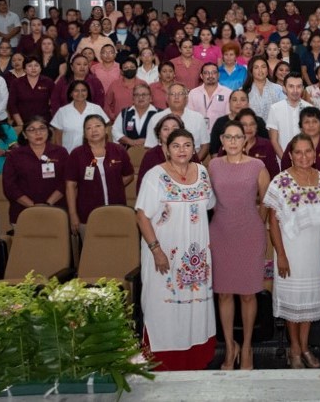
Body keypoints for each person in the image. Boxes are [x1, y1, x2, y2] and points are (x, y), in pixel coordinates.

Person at [137, 129, 218, 371]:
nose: (182, 150)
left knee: (195, 307)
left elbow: (209, 205)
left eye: (187, 145)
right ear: (166, 149)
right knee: (163, 307)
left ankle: (195, 360)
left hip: (196, 256)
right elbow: (141, 215)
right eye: (176, 146)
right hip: (164, 255)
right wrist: (156, 250)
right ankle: (163, 363)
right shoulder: (155, 176)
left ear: (194, 148)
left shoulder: (202, 172)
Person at [265, 134, 320, 369]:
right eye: (298, 152)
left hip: (314, 251)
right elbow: (273, 222)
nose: (304, 156)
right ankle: (294, 350)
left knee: (307, 302)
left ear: (314, 153)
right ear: (291, 155)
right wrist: (282, 255)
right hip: (290, 251)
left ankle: (305, 347)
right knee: (292, 302)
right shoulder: (280, 181)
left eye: (308, 151)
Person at [207, 121, 270, 371]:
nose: (233, 142)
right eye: (228, 137)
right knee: (223, 293)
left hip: (249, 234)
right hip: (221, 233)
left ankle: (246, 347)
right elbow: (205, 198)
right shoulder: (212, 165)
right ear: (221, 141)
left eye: (238, 137)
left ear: (245, 140)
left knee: (247, 293)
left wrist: (257, 224)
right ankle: (230, 347)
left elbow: (267, 200)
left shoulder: (257, 165)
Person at [64, 115, 134, 237]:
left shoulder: (118, 150)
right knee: (92, 252)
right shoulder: (77, 154)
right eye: (89, 128)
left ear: (106, 129)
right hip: (87, 215)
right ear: (85, 134)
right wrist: (73, 214)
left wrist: (112, 185)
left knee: (118, 249)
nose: (94, 130)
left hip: (116, 211)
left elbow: (129, 175)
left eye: (98, 126)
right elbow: (70, 185)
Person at [1, 116, 68, 225]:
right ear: (24, 134)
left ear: (48, 131)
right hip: (23, 212)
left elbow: (66, 181)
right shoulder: (15, 155)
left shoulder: (60, 152)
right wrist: (32, 206)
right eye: (32, 130)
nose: (38, 133)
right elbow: (9, 186)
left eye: (42, 128)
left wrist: (48, 203)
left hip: (56, 210)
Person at [147, 83, 210, 158]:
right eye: (173, 94)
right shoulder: (156, 118)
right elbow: (150, 146)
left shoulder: (198, 118)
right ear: (167, 98)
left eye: (180, 94)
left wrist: (194, 163)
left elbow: (205, 145)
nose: (176, 97)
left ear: (186, 98)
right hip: (162, 163)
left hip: (192, 162)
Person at [51, 81, 109, 152]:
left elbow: (106, 130)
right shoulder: (62, 111)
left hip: (94, 153)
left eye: (83, 90)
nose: (80, 93)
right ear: (71, 93)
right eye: (76, 91)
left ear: (88, 93)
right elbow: (57, 137)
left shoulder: (96, 109)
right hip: (69, 154)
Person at [281, 108, 320, 174]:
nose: (311, 125)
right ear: (301, 127)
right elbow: (285, 169)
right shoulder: (293, 144)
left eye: (315, 121)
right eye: (307, 122)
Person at [267, 74, 313, 158]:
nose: (295, 91)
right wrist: (285, 160)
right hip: (283, 160)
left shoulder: (310, 108)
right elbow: (274, 140)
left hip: (306, 160)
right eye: (291, 86)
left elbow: (313, 138)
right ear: (284, 88)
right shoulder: (275, 108)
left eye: (299, 87)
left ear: (303, 88)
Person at [187, 63, 233, 129]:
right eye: (206, 73)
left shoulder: (228, 93)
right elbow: (190, 117)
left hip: (221, 133)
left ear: (218, 75)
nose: (210, 76)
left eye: (214, 72)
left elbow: (229, 116)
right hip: (198, 133)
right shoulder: (193, 93)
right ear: (201, 76)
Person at [236, 109, 279, 177]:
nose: (249, 128)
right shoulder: (230, 146)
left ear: (256, 126)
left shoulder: (266, 145)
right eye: (244, 125)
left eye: (252, 124)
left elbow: (274, 174)